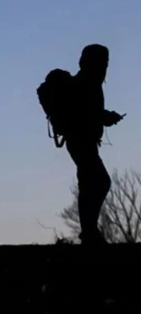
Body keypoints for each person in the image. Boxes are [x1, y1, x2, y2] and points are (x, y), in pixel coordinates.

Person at [64, 44, 124, 245]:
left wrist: (104, 117)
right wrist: (106, 117)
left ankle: (89, 231)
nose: (105, 65)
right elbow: (86, 113)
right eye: (103, 61)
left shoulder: (87, 80)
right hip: (81, 140)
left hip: (82, 140)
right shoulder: (87, 82)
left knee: (90, 183)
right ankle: (89, 232)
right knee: (98, 182)